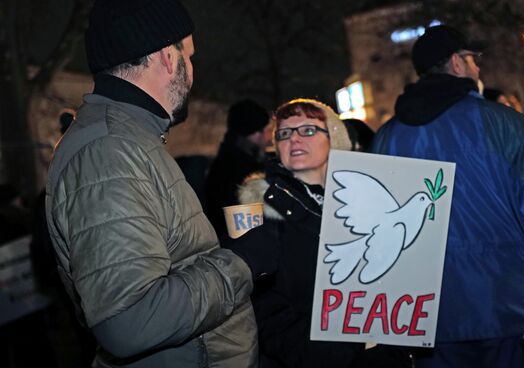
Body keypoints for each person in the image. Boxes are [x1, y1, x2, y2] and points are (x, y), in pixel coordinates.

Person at [45, 1, 275, 366]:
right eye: (191, 56)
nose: (193, 71)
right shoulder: (109, 151)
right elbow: (129, 321)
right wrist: (242, 262)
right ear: (169, 57)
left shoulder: (127, 140)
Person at [370, 25, 524, 367]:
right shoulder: (506, 124)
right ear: (456, 63)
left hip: (423, 313)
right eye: (474, 58)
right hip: (503, 304)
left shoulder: (387, 137)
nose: (478, 67)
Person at [225, 98, 411, 368]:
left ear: (333, 138)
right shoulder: (255, 210)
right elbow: (260, 306)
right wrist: (331, 356)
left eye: (308, 130)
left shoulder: (369, 200)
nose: (295, 139)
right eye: (285, 133)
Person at [205, 99, 270, 237]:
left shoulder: (225, 159)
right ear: (256, 132)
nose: (268, 136)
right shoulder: (246, 171)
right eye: (265, 130)